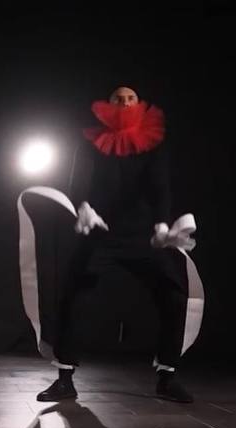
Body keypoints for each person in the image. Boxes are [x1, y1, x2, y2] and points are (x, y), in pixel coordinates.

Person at [37, 87, 194, 403]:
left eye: (130, 99)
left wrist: (162, 226)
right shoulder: (91, 141)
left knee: (174, 295)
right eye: (118, 99)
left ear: (139, 104)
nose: (124, 103)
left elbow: (160, 187)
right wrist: (83, 206)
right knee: (74, 295)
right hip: (101, 230)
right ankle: (65, 379)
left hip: (143, 234)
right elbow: (78, 180)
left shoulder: (153, 142)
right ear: (107, 105)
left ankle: (167, 377)